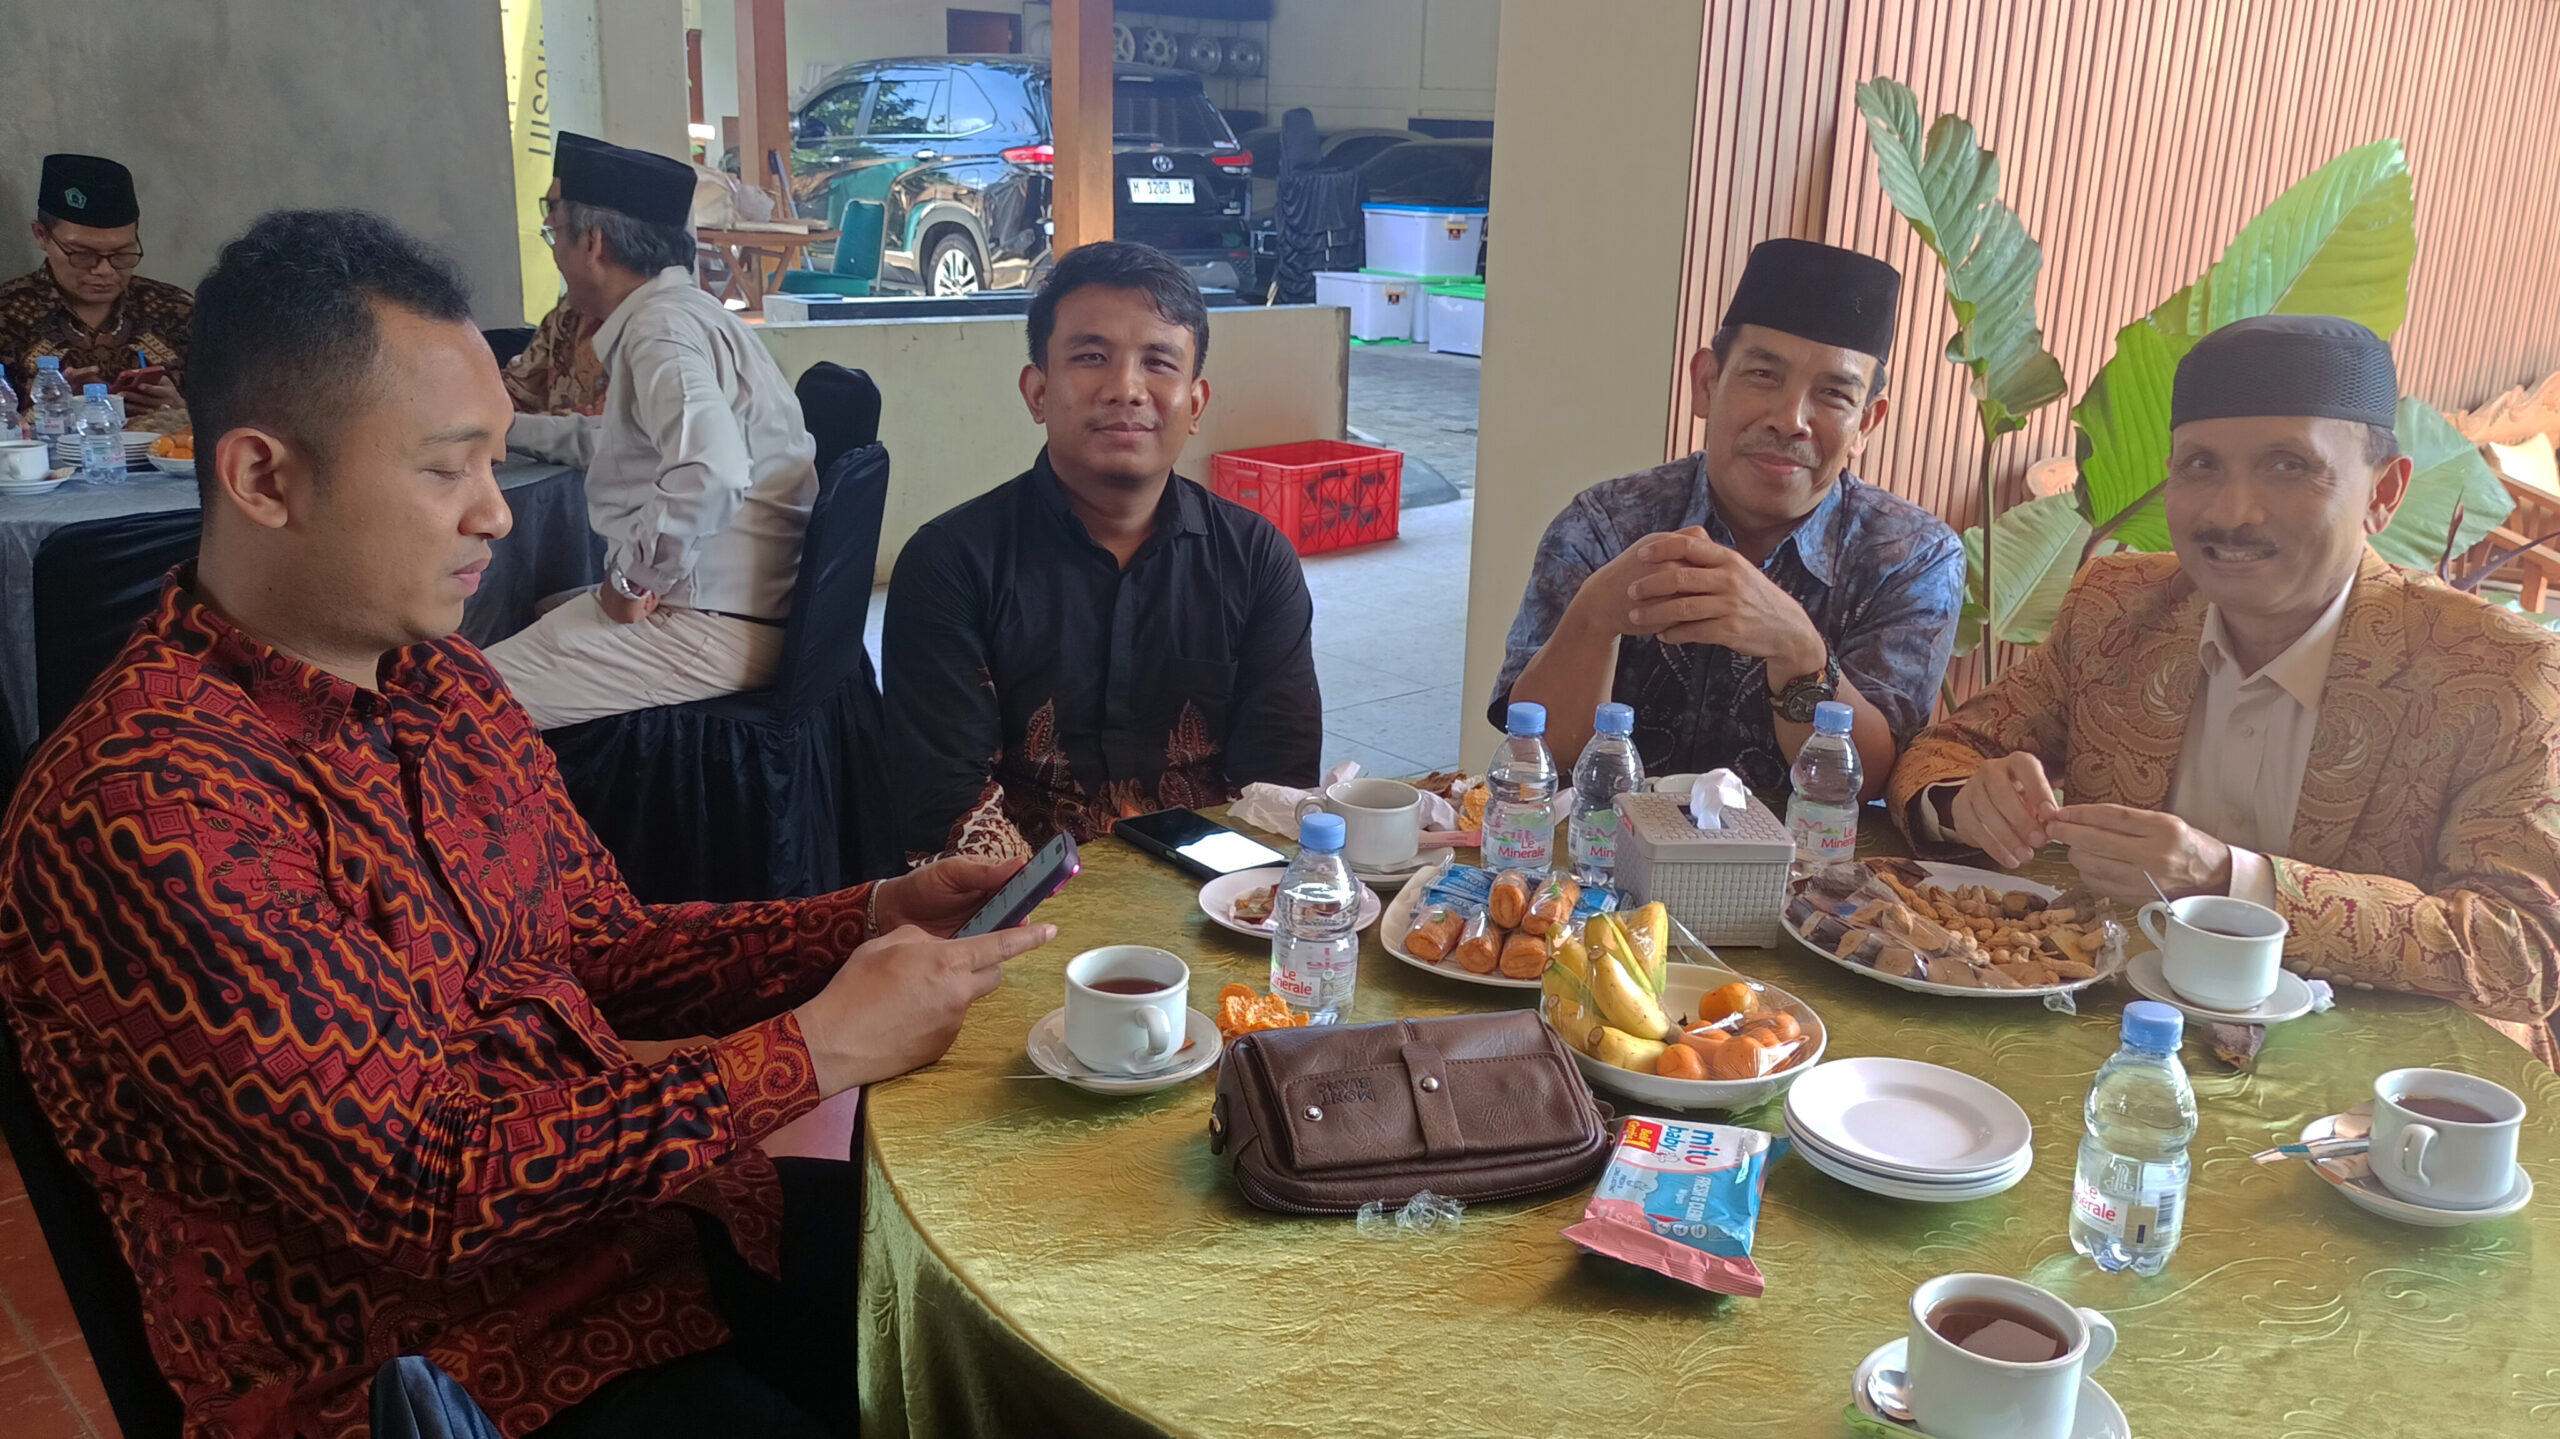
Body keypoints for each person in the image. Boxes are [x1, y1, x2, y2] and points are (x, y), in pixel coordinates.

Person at [0, 208, 1053, 1438]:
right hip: (444, 1376)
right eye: (447, 469)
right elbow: (428, 1182)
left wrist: (863, 916)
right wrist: (811, 1049)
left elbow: (599, 950)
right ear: (264, 477)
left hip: (645, 1239)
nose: (496, 515)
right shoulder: (146, 805)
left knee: (1020, 1301)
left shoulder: (440, 685)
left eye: (495, 464)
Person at [1890, 315, 2560, 1056]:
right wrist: (1966, 801)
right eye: (2200, 465)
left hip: (2382, 1079)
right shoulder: (2117, 608)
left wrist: (2231, 882)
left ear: (2384, 492)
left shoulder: (2496, 671)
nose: (2230, 514)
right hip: (2122, 1045)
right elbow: (1950, 748)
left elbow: (2522, 948)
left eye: (2288, 466)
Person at [883, 240, 1320, 860]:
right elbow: (945, 803)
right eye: (1091, 357)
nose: (1126, 389)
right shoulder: (950, 565)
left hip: (1218, 892)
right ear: (1038, 392)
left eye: (1158, 362)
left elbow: (1279, 784)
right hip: (1019, 896)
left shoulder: (1255, 559)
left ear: (1195, 404)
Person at [1488, 238, 1964, 795]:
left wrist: (1798, 649)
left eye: (1834, 394)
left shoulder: (1911, 556)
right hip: (1602, 847)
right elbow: (1537, 754)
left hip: (1802, 853)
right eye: (1763, 375)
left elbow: (1868, 783)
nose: (1791, 420)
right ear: (1707, 383)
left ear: (1867, 423)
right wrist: (1596, 616)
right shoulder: (1606, 523)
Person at [490, 135, 818, 729]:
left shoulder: (659, 331)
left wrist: (631, 580)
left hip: (707, 620)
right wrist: (507, 428)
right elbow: (624, 446)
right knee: (540, 610)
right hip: (743, 607)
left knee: (451, 703)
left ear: (592, 243)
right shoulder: (689, 314)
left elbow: (710, 471)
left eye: (554, 231)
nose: (555, 251)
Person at [0, 152, 190, 416]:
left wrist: (182, 413)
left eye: (122, 253)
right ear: (41, 235)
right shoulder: (6, 315)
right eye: (83, 254)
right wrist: (48, 411)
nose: (104, 270)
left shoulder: (177, 310)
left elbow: (232, 417)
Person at [504, 134, 611, 417]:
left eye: (553, 209)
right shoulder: (572, 309)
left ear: (591, 242)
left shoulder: (659, 331)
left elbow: (607, 432)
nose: (546, 222)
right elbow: (516, 392)